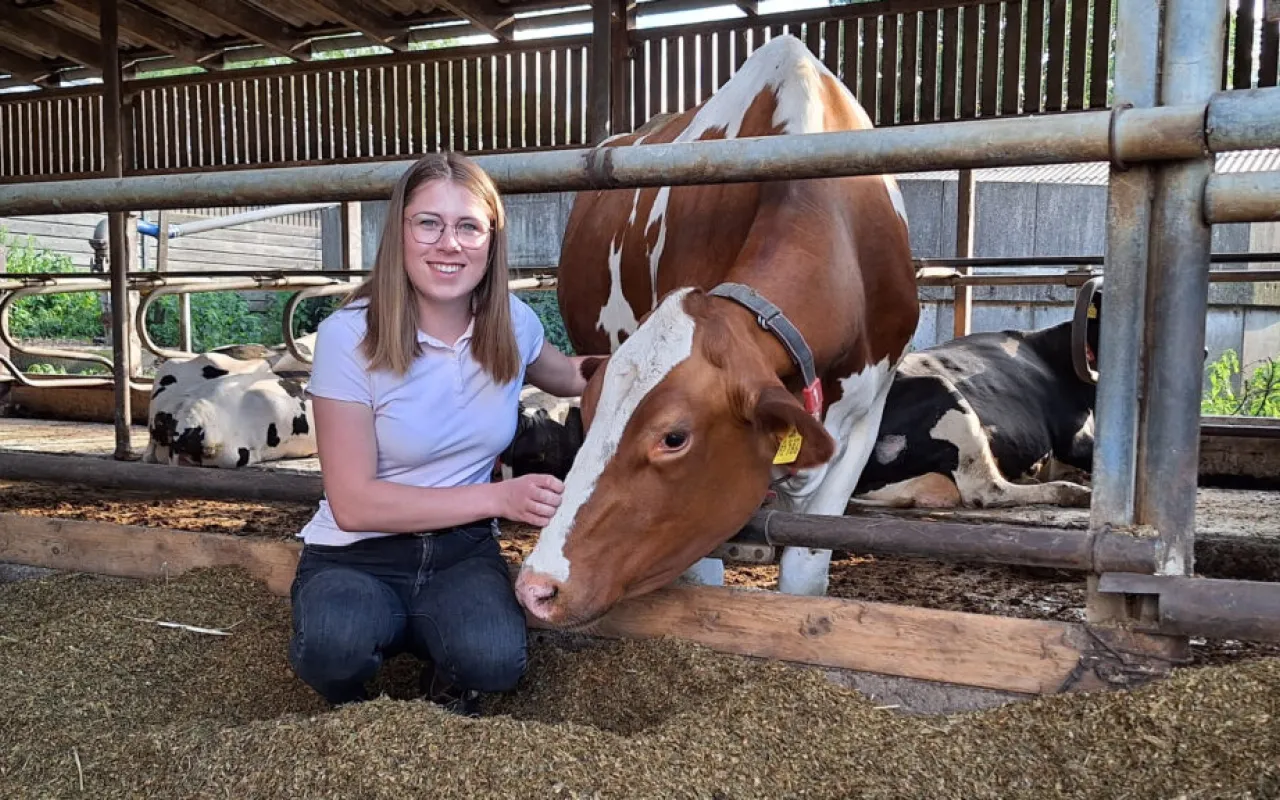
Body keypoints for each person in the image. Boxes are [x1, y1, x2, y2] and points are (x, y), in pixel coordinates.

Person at [288, 151, 589, 715]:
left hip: (460, 552)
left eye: (469, 226)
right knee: (332, 646)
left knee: (496, 660)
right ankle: (356, 706)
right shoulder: (349, 336)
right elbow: (352, 504)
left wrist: (663, 357)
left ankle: (447, 677)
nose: (449, 243)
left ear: (491, 241)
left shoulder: (512, 325)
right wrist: (501, 497)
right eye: (429, 223)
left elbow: (574, 376)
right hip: (357, 555)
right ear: (400, 231)